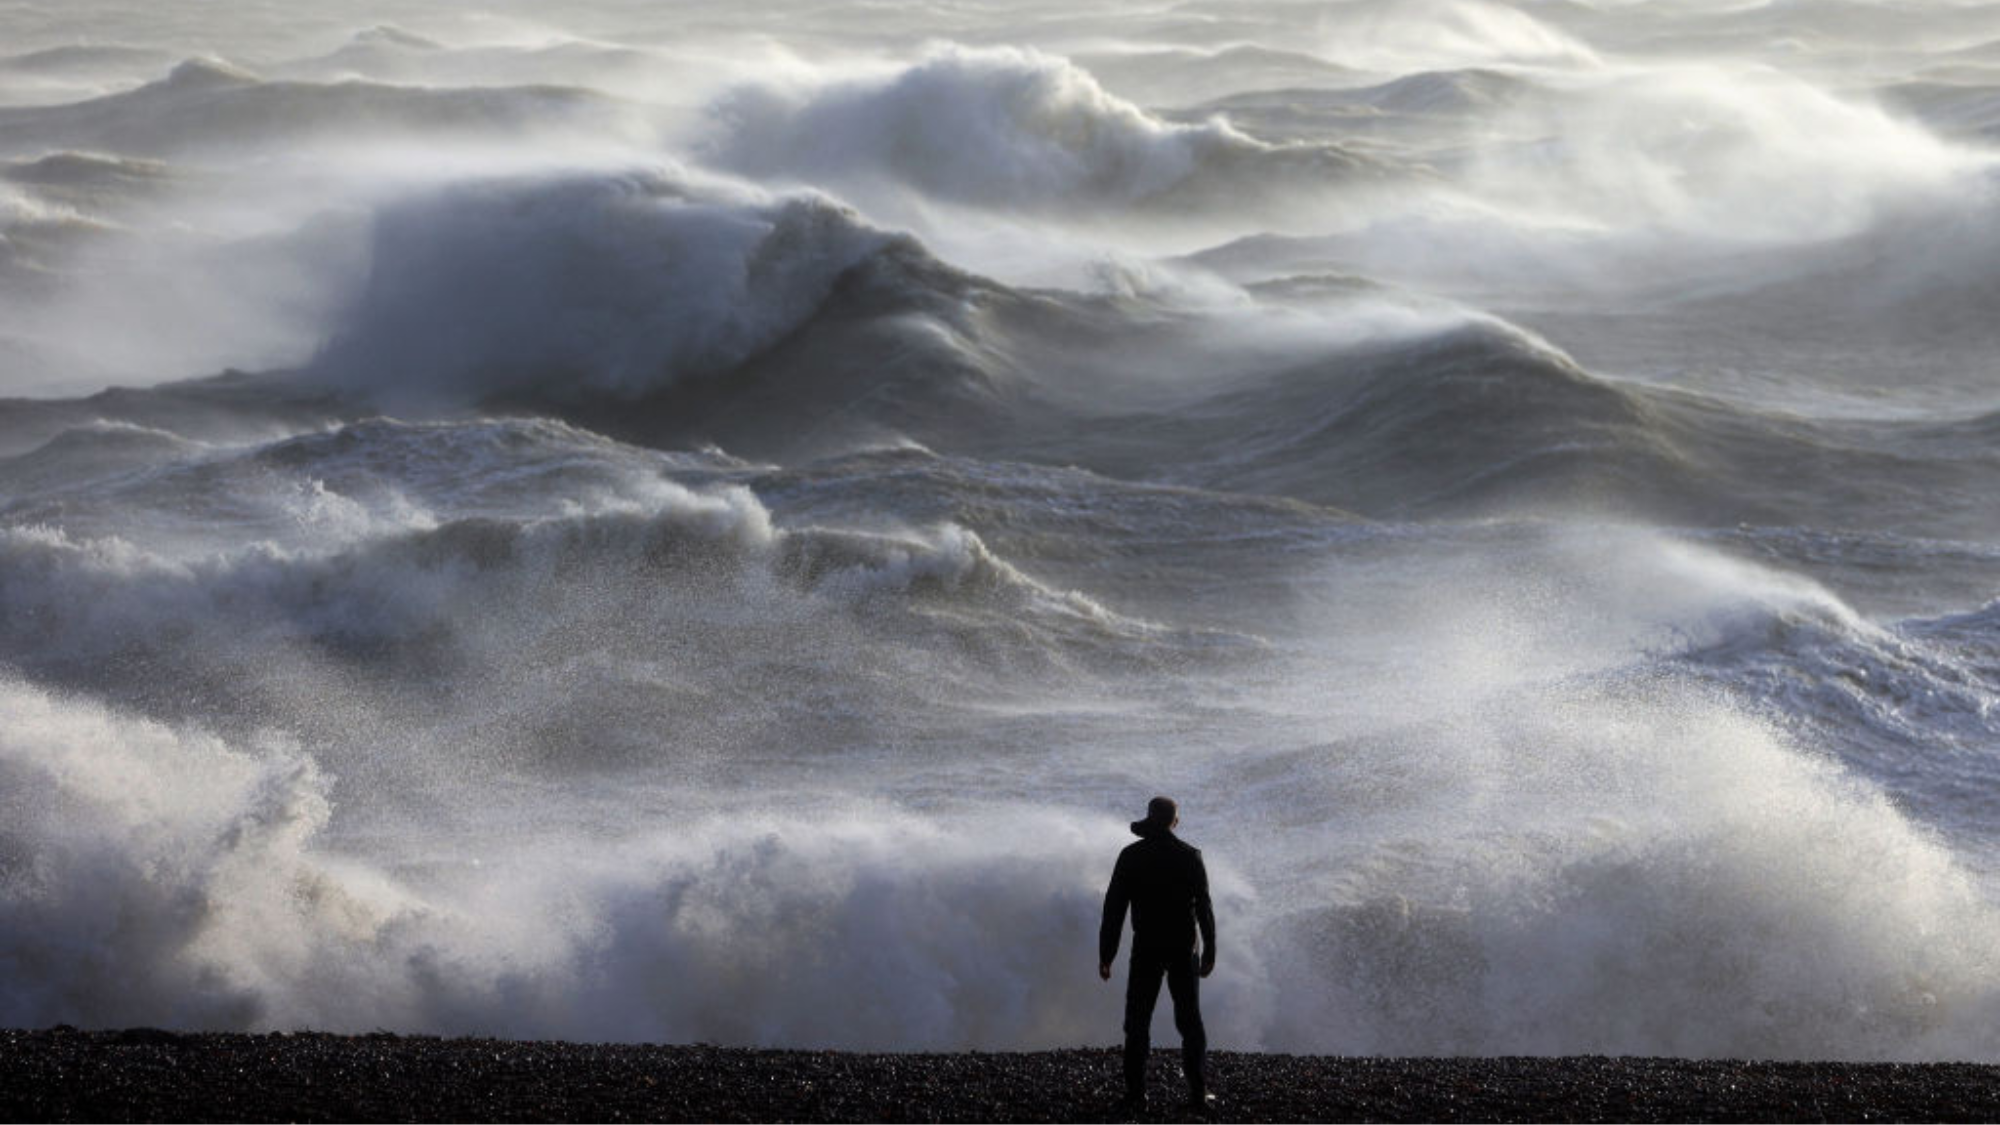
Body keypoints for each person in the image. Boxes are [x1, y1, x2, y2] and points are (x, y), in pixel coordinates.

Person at [1099, 795, 1216, 1110]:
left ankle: (1136, 1094)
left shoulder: (1131, 856)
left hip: (1147, 946)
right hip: (1183, 947)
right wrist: (1210, 952)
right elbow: (1204, 907)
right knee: (1190, 1021)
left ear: (1150, 818)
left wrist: (1106, 954)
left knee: (1137, 1021)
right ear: (1175, 822)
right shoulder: (1190, 856)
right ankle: (1197, 1094)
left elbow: (1114, 909)